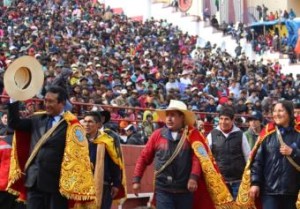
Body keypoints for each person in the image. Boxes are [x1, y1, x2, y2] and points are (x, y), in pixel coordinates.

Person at [132, 100, 235, 209]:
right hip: (163, 189)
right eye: (167, 115)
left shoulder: (192, 136)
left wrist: (193, 178)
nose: (169, 118)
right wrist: (136, 179)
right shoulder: (157, 135)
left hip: (185, 190)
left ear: (182, 118)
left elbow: (197, 158)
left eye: (173, 115)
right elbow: (144, 157)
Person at [7, 86, 95, 209]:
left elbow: (78, 156)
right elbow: (14, 124)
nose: (46, 104)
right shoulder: (37, 119)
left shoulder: (72, 126)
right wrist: (14, 99)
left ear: (62, 103)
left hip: (57, 185)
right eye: (45, 101)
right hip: (34, 181)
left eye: (51, 101)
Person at [237, 100, 300, 209]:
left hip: (292, 192)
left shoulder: (298, 134)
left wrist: (293, 152)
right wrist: (255, 183)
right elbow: (258, 162)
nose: (276, 114)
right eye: (275, 111)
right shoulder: (267, 134)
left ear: (289, 113)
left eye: (280, 111)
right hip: (269, 191)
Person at [83, 111, 126, 209]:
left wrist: (116, 183)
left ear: (98, 124)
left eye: (90, 122)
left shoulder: (107, 141)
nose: (86, 124)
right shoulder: (79, 141)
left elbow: (115, 163)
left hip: (103, 186)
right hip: (83, 185)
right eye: (85, 121)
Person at [207, 106, 250, 199]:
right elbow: (207, 159)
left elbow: (248, 157)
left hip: (238, 181)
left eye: (226, 119)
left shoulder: (241, 135)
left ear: (232, 120)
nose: (223, 122)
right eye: (221, 119)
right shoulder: (211, 135)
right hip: (220, 181)